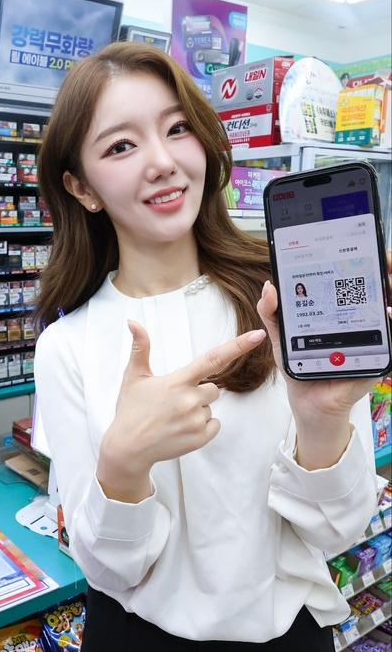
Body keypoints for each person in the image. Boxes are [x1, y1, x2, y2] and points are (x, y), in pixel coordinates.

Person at [33, 42, 379, 650]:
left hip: (286, 635)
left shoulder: (284, 300)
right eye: (121, 145)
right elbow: (109, 569)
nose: (162, 161)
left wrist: (324, 421)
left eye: (177, 129)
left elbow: (338, 531)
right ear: (82, 187)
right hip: (134, 637)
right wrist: (123, 463)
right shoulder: (67, 345)